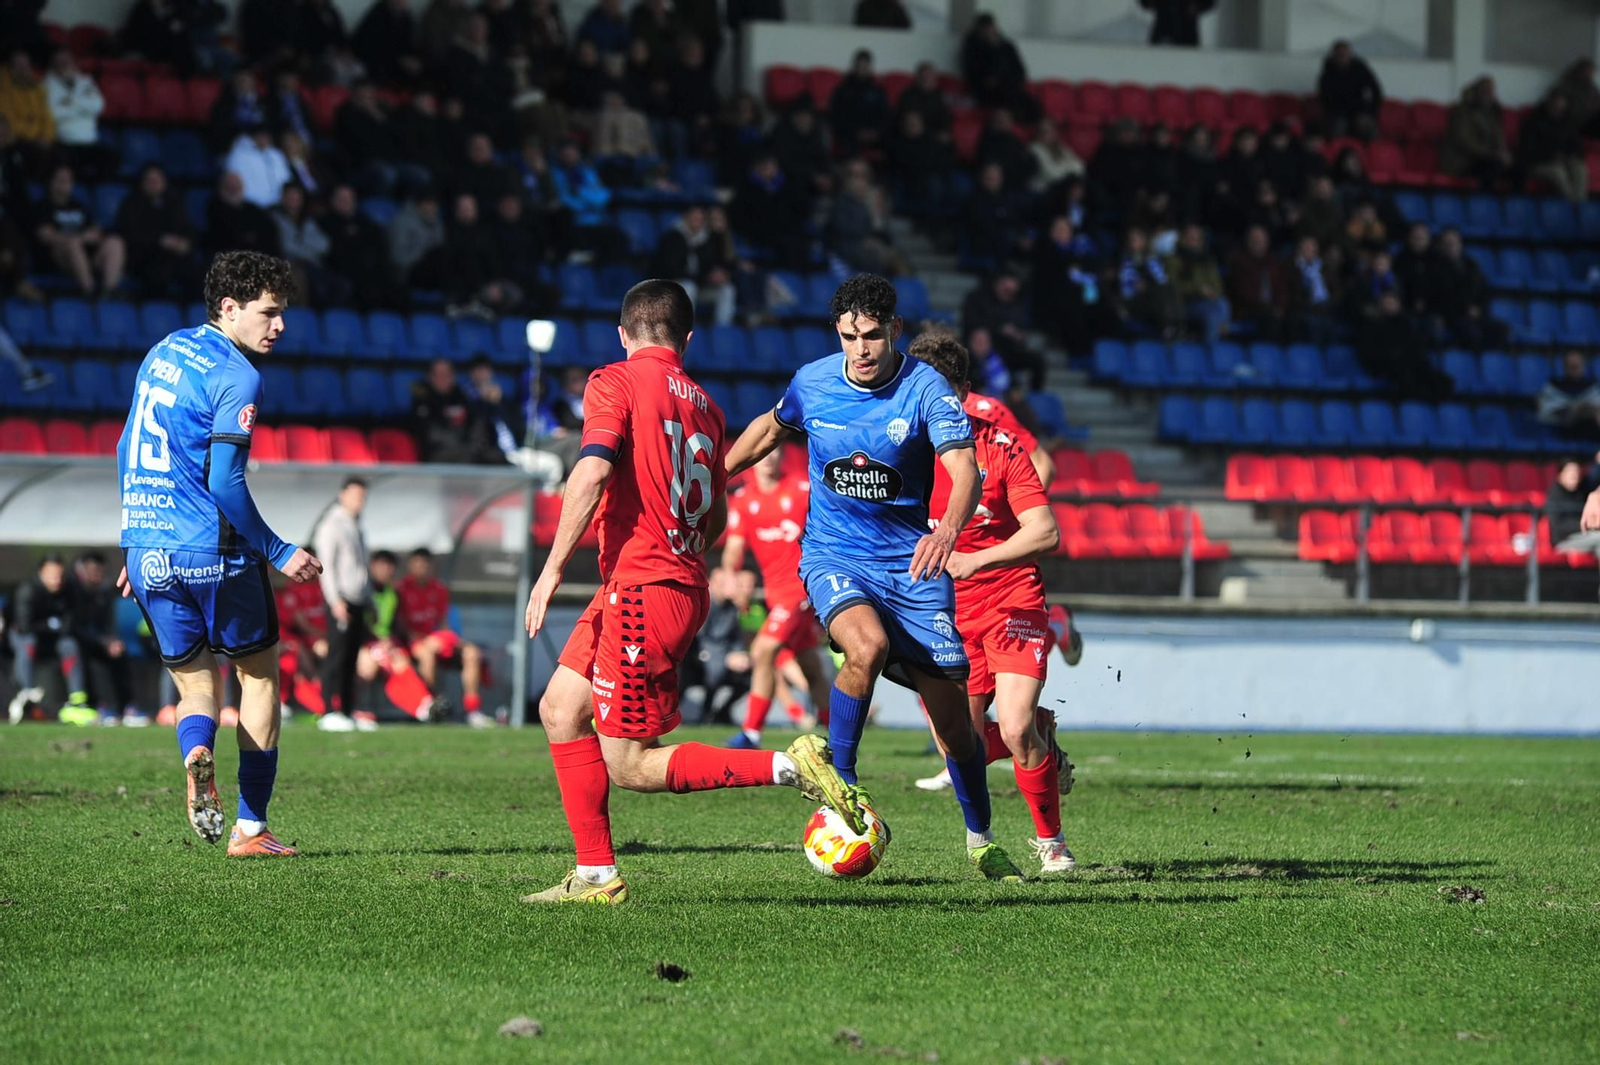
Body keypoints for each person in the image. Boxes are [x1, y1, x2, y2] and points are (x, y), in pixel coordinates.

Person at [521, 279, 861, 904]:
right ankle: (594, 874)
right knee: (561, 709)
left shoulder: (614, 381)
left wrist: (551, 571)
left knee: (629, 763)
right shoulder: (706, 406)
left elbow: (591, 472)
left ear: (623, 335)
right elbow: (716, 519)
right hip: (663, 582)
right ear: (688, 339)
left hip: (642, 588)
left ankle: (792, 766)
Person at [725, 274, 1027, 881]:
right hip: (833, 555)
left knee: (956, 728)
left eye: (870, 335)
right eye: (848, 337)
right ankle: (842, 783)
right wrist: (714, 479)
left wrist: (946, 531)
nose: (859, 349)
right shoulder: (813, 382)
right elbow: (769, 427)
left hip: (912, 565)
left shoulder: (925, 388)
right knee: (866, 646)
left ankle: (980, 838)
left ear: (894, 330)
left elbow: (964, 470)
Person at [116, 250, 322, 857]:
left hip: (149, 548)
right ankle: (251, 829)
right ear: (229, 308)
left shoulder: (164, 350)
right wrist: (279, 550)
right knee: (258, 676)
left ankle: (197, 750)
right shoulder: (238, 374)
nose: (279, 326)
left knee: (195, 684)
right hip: (214, 552)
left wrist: (136, 539)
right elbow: (226, 483)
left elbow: (127, 445)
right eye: (269, 312)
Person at [906, 330, 1075, 874]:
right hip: (944, 611)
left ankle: (1052, 844)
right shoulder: (899, 453)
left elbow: (1045, 532)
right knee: (958, 743)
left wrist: (975, 561)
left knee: (1017, 726)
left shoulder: (999, 446)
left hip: (1011, 598)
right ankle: (1040, 745)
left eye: (942, 394)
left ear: (964, 393)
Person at [718, 445, 833, 749]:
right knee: (810, 666)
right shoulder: (744, 500)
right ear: (753, 459)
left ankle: (751, 733)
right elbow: (734, 548)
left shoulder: (801, 490)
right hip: (775, 594)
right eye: (763, 453)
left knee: (763, 650)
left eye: (774, 452)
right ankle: (837, 736)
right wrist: (731, 575)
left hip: (800, 589)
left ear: (782, 456)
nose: (768, 458)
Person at [396, 548, 492, 727]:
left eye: (425, 565)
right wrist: (423, 640)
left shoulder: (439, 590)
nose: (422, 569)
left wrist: (449, 639)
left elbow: (443, 623)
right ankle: (430, 708)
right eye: (418, 565)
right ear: (410, 566)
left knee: (472, 653)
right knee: (426, 654)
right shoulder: (401, 589)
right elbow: (400, 626)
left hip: (436, 640)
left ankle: (473, 710)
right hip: (412, 643)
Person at [313, 477, 374, 733]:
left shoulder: (357, 526)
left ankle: (348, 710)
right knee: (336, 657)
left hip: (358, 599)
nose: (360, 502)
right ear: (343, 495)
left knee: (351, 659)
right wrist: (335, 600)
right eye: (356, 496)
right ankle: (328, 710)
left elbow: (362, 567)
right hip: (341, 600)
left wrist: (370, 599)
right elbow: (327, 566)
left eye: (363, 497)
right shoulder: (332, 525)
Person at [355, 550, 443, 723]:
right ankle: (351, 708)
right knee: (372, 667)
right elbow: (360, 624)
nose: (385, 570)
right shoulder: (362, 592)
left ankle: (424, 703)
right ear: (372, 567)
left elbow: (395, 624)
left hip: (386, 643)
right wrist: (376, 641)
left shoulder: (393, 594)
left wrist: (390, 641)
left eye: (389, 566)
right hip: (366, 644)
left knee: (401, 662)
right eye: (381, 565)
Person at [6, 554, 91, 725]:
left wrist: (54, 626)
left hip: (53, 640)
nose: (56, 580)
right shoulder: (27, 590)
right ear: (41, 573)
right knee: (28, 643)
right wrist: (51, 624)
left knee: (70, 645)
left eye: (60, 576)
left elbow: (72, 623)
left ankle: (77, 701)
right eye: (52, 575)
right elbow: (24, 626)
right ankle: (26, 694)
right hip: (26, 638)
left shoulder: (70, 589)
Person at [71, 551, 146, 727]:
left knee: (119, 653)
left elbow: (107, 625)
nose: (96, 574)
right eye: (92, 570)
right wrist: (103, 641)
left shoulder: (105, 595)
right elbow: (75, 627)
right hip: (79, 642)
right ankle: (98, 706)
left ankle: (126, 707)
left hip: (99, 642)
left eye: (99, 571)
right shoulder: (73, 593)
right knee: (86, 658)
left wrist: (111, 640)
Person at [32, 164, 124, 297]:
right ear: (51, 182)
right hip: (60, 258)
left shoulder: (78, 206)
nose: (66, 184)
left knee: (115, 242)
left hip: (87, 255)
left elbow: (95, 230)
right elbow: (45, 236)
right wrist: (79, 238)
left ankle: (109, 292)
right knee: (73, 243)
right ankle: (89, 291)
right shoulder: (43, 207)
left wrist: (87, 236)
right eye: (61, 179)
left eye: (69, 180)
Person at [116, 164, 200, 300]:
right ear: (142, 183)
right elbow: (130, 235)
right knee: (159, 274)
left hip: (175, 257)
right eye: (150, 181)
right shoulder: (131, 204)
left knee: (199, 274)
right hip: (145, 257)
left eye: (157, 181)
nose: (154, 184)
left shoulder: (174, 203)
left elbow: (188, 230)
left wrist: (185, 243)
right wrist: (160, 241)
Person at [43, 49, 111, 180]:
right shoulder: (46, 85)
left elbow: (98, 106)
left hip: (90, 142)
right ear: (53, 64)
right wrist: (84, 107)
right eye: (60, 62)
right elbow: (53, 113)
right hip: (65, 143)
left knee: (112, 158)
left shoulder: (86, 81)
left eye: (67, 61)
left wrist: (70, 103)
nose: (65, 64)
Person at [1440, 77, 1511, 187]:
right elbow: (1463, 140)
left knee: (1517, 169)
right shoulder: (1463, 111)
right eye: (1485, 90)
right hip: (1464, 162)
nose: (1488, 94)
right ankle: (1484, 197)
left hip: (1487, 159)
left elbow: (1499, 138)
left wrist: (1503, 153)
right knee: (1492, 168)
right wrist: (1492, 154)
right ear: (1476, 91)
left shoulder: (1492, 113)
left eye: (1491, 91)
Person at [1517, 93, 1587, 203]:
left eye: (1561, 109)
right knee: (1558, 172)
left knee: (1580, 168)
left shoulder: (1566, 124)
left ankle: (1580, 204)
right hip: (1538, 163)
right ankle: (1572, 205)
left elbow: (1577, 146)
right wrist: (1551, 156)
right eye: (1555, 108)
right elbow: (1527, 151)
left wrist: (1571, 156)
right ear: (1548, 104)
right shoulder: (1533, 122)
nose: (1557, 112)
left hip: (1563, 161)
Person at [1317, 40, 1382, 140]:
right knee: (1337, 128)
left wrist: (1370, 113)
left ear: (1350, 55)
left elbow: (1376, 90)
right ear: (1334, 56)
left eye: (1345, 54)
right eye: (1340, 55)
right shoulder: (1328, 72)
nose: (1343, 57)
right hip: (1337, 112)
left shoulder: (1360, 68)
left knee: (1370, 130)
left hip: (1360, 110)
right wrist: (1333, 113)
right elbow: (1324, 97)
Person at [1538, 351, 1600, 436]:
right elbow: (1545, 411)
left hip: (1588, 428)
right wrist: (1573, 410)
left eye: (1576, 366)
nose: (1574, 370)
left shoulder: (1592, 386)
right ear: (1564, 367)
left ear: (1583, 367)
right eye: (1571, 366)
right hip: (1560, 429)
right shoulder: (1554, 386)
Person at [1139, 0, 1214, 46]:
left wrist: (1197, 6)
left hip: (1187, 33)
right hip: (1163, 30)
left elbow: (1209, 2)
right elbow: (1145, 2)